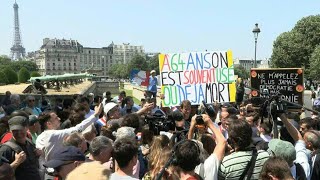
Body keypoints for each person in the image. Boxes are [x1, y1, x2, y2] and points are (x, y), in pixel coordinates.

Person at [0, 116, 41, 180]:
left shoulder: (29, 142)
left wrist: (38, 154)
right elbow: (2, 175)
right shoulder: (5, 149)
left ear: (27, 128)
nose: (18, 133)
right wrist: (16, 162)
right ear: (10, 130)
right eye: (15, 131)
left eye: (21, 129)